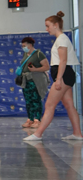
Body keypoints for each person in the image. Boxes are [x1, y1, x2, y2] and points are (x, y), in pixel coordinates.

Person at [24, 11, 83, 141]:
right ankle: (78, 133)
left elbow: (63, 60)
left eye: (48, 26)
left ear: (56, 25)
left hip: (63, 74)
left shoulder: (61, 39)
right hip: (65, 74)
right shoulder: (60, 39)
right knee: (69, 105)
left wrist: (59, 79)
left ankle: (38, 134)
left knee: (49, 105)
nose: (46, 29)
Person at [18, 37, 50, 128]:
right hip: (26, 81)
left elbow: (46, 67)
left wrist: (36, 69)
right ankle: (30, 119)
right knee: (28, 101)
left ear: (30, 44)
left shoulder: (39, 54)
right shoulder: (25, 54)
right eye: (22, 46)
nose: (23, 47)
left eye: (24, 45)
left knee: (36, 100)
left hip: (36, 80)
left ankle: (38, 119)